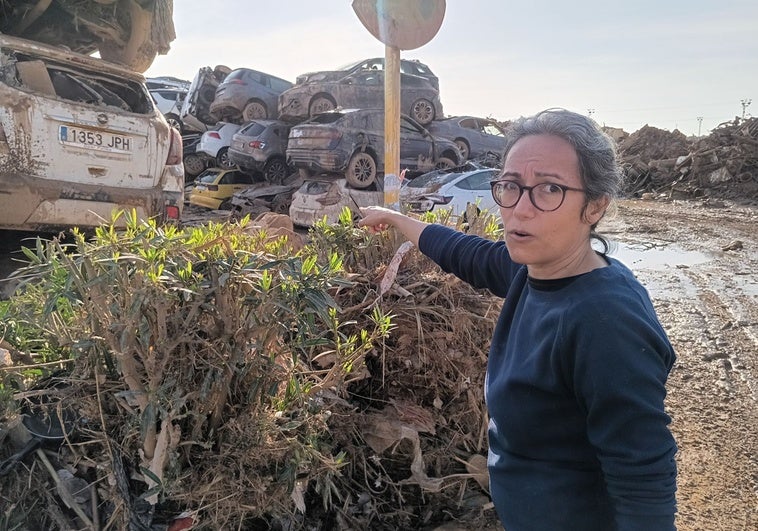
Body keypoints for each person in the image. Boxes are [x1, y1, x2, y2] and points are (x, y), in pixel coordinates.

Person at [358, 108, 678, 531]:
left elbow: (643, 481)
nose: (520, 210)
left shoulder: (604, 320)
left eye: (549, 189)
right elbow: (462, 252)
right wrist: (398, 219)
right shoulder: (533, 270)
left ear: (595, 207)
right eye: (511, 186)